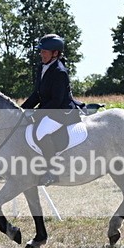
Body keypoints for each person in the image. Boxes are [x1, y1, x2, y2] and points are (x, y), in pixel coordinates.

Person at [21, 33, 81, 186]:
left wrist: (36, 115)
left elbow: (57, 100)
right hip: (49, 109)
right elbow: (37, 94)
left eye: (44, 51)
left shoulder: (60, 72)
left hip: (62, 111)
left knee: (41, 132)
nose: (41, 54)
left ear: (55, 53)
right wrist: (20, 110)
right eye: (41, 51)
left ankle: (53, 172)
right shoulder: (42, 67)